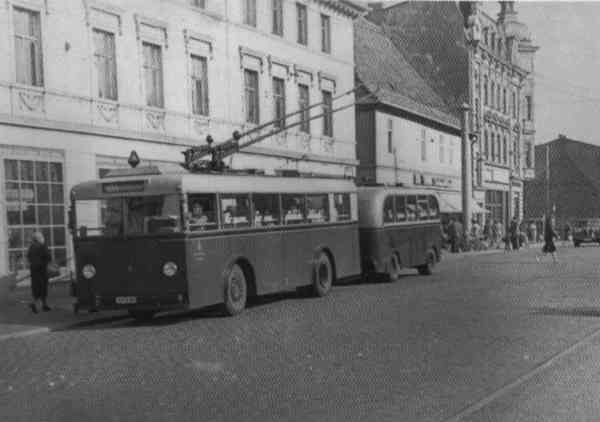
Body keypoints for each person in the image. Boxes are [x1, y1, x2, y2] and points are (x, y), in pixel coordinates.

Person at [27, 232, 52, 313]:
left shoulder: (31, 247)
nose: (43, 238)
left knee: (36, 287)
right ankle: (43, 305)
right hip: (42, 270)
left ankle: (36, 304)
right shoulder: (42, 246)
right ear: (40, 238)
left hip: (34, 270)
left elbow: (29, 257)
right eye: (42, 237)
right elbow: (48, 257)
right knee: (43, 287)